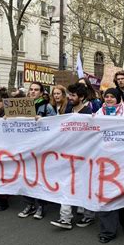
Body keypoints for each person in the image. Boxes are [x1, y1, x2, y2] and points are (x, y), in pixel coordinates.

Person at [95, 88, 124, 243]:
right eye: (106, 97)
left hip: (123, 161)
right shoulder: (97, 115)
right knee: (106, 195)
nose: (109, 99)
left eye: (112, 97)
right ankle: (108, 230)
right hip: (103, 162)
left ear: (119, 99)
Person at [50, 83, 95, 230]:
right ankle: (65, 218)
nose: (69, 97)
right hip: (68, 156)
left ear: (81, 97)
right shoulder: (67, 110)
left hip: (84, 157)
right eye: (69, 94)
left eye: (73, 95)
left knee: (85, 186)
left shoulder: (89, 113)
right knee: (66, 186)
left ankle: (88, 215)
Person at [18, 81, 55, 220]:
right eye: (31, 89)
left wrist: (44, 119)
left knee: (39, 178)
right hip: (25, 146)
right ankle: (29, 204)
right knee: (26, 176)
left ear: (41, 92)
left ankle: (40, 205)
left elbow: (55, 124)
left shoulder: (47, 107)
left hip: (41, 148)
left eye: (36, 90)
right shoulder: (21, 106)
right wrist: (6, 118)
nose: (33, 92)